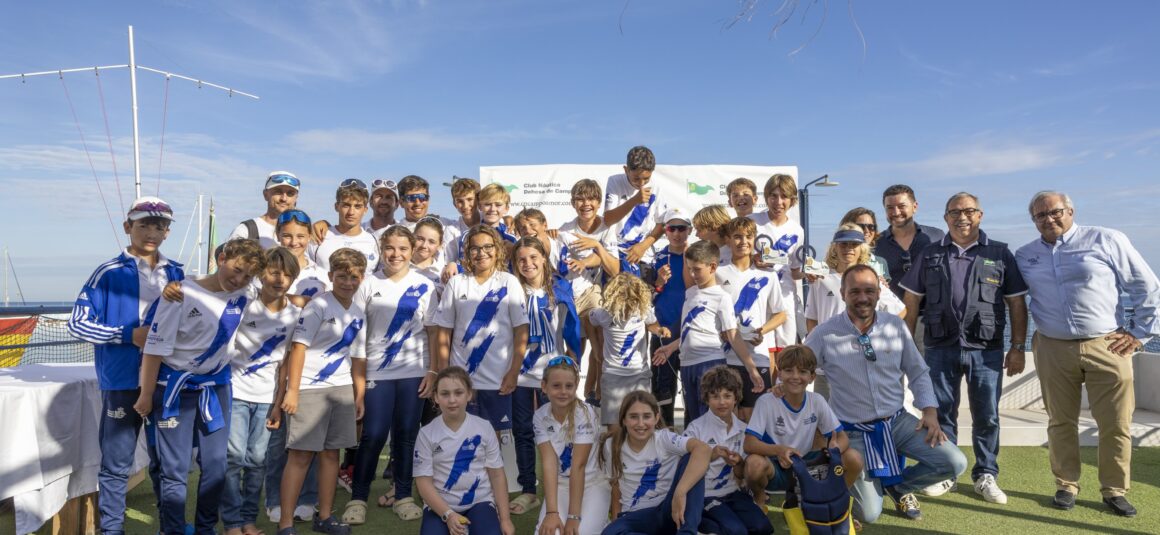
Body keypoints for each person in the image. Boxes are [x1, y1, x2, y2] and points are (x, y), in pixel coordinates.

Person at [1015, 190, 1159, 517]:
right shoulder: (1025, 255)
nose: (1049, 219)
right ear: (1033, 220)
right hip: (1051, 346)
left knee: (1116, 423)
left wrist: (1139, 333)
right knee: (1060, 421)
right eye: (1040, 216)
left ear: (1070, 210)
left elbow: (1145, 286)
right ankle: (1066, 485)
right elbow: (1013, 298)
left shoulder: (1106, 239)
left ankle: (1114, 490)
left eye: (1056, 212)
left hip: (1107, 344)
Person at [803, 265, 967, 523]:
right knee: (869, 514)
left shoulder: (895, 326)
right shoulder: (824, 333)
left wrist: (930, 412)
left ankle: (898, 486)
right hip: (853, 431)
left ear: (879, 294)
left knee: (954, 462)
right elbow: (799, 366)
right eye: (854, 291)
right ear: (843, 294)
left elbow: (918, 371)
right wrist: (783, 386)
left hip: (898, 423)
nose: (862, 297)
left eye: (869, 290)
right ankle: (861, 489)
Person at [897, 192, 1029, 504]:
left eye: (969, 211)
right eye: (955, 212)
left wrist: (1018, 346)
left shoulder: (999, 254)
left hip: (987, 350)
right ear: (946, 218)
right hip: (939, 348)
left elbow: (1016, 303)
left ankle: (986, 473)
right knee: (941, 414)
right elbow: (911, 301)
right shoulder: (930, 254)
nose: (962, 217)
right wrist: (905, 346)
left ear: (980, 215)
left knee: (987, 415)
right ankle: (946, 473)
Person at [67, 196, 183, 535]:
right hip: (120, 382)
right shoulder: (107, 272)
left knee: (168, 464)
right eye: (144, 223)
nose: (151, 231)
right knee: (116, 464)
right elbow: (78, 323)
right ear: (128, 227)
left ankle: (172, 528)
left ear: (167, 232)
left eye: (159, 226)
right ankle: (112, 530)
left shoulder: (177, 272)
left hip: (166, 381)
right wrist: (127, 334)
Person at [135, 239, 265, 535]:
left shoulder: (246, 291)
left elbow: (278, 288)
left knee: (217, 466)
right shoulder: (180, 293)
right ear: (222, 258)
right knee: (175, 470)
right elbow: (154, 348)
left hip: (216, 387)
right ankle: (174, 529)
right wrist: (145, 394)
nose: (239, 279)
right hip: (174, 389)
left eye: (248, 275)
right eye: (237, 269)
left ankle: (207, 529)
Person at [342, 227, 438, 524]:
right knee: (372, 435)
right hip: (376, 374)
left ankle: (404, 494)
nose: (396, 255)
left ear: (412, 251)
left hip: (414, 372)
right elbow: (356, 336)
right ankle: (358, 497)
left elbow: (433, 332)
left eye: (402, 249)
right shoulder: (368, 284)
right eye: (390, 248)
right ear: (381, 249)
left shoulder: (425, 285)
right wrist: (359, 384)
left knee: (407, 436)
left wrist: (433, 371)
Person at [275, 248, 369, 535]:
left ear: (361, 278)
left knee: (331, 455)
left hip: (340, 390)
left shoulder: (358, 312)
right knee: (301, 456)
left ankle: (325, 517)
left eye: (354, 277)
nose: (348, 282)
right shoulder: (317, 306)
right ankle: (286, 523)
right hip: (309, 389)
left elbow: (358, 358)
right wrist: (292, 391)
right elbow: (298, 348)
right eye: (342, 276)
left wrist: (359, 395)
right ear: (330, 276)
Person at [214, 247, 304, 535]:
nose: (280, 279)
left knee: (257, 461)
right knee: (233, 458)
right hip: (235, 393)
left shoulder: (295, 314)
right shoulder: (244, 303)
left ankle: (249, 519)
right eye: (274, 272)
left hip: (267, 399)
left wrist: (279, 403)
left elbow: (284, 365)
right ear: (262, 273)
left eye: (287, 275)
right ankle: (232, 522)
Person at [431, 225, 529, 435]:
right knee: (461, 440)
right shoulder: (456, 283)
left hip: (498, 381)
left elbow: (521, 331)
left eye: (487, 247)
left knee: (495, 446)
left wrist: (513, 372)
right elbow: (443, 333)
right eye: (475, 248)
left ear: (498, 250)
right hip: (462, 382)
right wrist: (443, 374)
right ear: (467, 252)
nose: (481, 253)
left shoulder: (509, 282)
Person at [510, 237, 583, 516]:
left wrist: (573, 356)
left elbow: (571, 327)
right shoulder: (511, 288)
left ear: (543, 258)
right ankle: (529, 489)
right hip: (519, 373)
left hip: (552, 373)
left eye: (532, 257)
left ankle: (564, 486)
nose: (527, 263)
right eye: (521, 259)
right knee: (523, 432)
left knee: (559, 432)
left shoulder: (560, 287)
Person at [654, 241, 763, 424]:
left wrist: (752, 369)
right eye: (689, 269)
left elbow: (733, 335)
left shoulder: (722, 297)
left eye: (696, 269)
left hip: (709, 364)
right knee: (693, 419)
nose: (692, 274)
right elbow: (691, 329)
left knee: (712, 419)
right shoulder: (690, 294)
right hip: (688, 364)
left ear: (712, 267)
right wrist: (671, 348)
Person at [743, 346, 861, 510]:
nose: (795, 377)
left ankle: (836, 503)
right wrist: (779, 450)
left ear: (812, 377)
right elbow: (749, 444)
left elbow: (842, 437)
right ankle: (759, 500)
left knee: (853, 458)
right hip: (776, 467)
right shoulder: (766, 402)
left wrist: (835, 449)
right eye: (789, 370)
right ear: (779, 372)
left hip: (807, 466)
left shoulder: (817, 400)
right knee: (754, 464)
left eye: (803, 372)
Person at [414, 367, 516, 535]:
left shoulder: (484, 428)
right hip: (440, 506)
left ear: (469, 394)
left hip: (479, 502)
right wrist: (448, 515)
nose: (452, 400)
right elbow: (423, 483)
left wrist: (505, 519)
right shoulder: (426, 434)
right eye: (445, 394)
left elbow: (497, 475)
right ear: (436, 397)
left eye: (458, 393)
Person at [598, 391, 710, 535]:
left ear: (656, 418)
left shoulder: (664, 439)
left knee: (692, 458)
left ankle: (687, 532)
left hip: (668, 510)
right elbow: (616, 488)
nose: (640, 423)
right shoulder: (612, 445)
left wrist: (680, 492)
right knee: (610, 533)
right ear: (624, 419)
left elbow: (704, 449)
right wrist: (616, 523)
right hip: (636, 515)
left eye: (647, 416)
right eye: (633, 417)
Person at [682, 366, 773, 535]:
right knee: (736, 531)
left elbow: (740, 475)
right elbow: (683, 466)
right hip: (706, 495)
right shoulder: (696, 428)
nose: (722, 402)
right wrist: (710, 454)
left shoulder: (744, 429)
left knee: (763, 527)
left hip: (733, 492)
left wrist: (739, 462)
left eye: (727, 396)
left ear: (736, 398)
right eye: (715, 396)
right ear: (706, 398)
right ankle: (698, 523)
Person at [715, 216, 788, 421]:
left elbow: (781, 314)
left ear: (754, 239)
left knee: (754, 417)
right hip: (725, 356)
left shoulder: (768, 275)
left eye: (748, 236)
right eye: (737, 237)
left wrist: (762, 331)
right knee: (727, 416)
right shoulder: (718, 272)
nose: (743, 241)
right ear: (728, 240)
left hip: (757, 356)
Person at [534, 356, 611, 535]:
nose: (563, 391)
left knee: (579, 532)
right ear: (544, 386)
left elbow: (579, 466)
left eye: (569, 386)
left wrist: (573, 516)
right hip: (561, 484)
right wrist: (552, 512)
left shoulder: (585, 413)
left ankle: (602, 523)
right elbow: (549, 463)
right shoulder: (539, 416)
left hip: (592, 483)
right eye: (556, 385)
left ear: (576, 385)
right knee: (547, 532)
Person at [587, 273, 669, 433]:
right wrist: (595, 347)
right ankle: (614, 457)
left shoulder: (642, 310)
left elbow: (652, 324)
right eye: (623, 304)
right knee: (614, 427)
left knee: (643, 424)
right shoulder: (603, 314)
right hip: (612, 376)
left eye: (632, 304)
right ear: (613, 300)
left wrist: (660, 330)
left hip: (639, 374)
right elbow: (588, 320)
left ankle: (641, 457)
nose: (628, 308)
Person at [558, 178, 622, 359]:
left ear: (599, 203)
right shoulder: (566, 230)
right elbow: (560, 264)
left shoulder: (607, 228)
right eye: (580, 199)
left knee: (600, 348)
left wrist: (596, 247)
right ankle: (573, 386)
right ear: (573, 203)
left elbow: (615, 269)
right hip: (571, 294)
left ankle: (596, 388)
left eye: (591, 199)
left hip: (594, 293)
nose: (586, 204)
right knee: (574, 350)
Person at [875, 185, 944, 351]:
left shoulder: (936, 237)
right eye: (890, 208)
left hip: (929, 323)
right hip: (890, 322)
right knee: (890, 376)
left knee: (928, 376)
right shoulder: (877, 243)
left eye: (901, 206)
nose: (896, 212)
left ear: (915, 206)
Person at [748, 173, 803, 347]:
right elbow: (736, 255)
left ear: (792, 200)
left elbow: (795, 272)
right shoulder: (753, 221)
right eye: (773, 196)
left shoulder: (797, 230)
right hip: (758, 294)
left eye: (784, 196)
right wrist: (752, 258)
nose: (778, 202)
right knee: (762, 347)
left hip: (784, 296)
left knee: (785, 351)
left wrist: (811, 274)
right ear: (766, 197)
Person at [649, 210, 691, 426]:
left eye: (681, 228)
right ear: (665, 231)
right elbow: (646, 299)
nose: (676, 233)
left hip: (691, 332)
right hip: (663, 332)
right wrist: (658, 282)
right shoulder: (655, 258)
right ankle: (665, 436)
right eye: (671, 228)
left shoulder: (696, 256)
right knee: (663, 390)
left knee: (692, 389)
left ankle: (692, 437)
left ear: (689, 231)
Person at [603, 146, 668, 278]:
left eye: (646, 179)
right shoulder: (615, 181)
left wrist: (643, 246)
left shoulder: (657, 186)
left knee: (643, 297)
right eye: (636, 178)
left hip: (644, 256)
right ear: (626, 170)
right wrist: (634, 201)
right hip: (616, 253)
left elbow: (662, 224)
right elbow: (608, 219)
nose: (642, 183)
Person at [310, 179, 379, 276]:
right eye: (346, 205)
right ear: (336, 206)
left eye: (357, 206)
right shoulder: (318, 236)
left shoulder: (375, 242)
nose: (351, 212)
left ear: (365, 210)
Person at [228, 171, 301, 249]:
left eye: (290, 193)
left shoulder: (305, 237)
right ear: (265, 195)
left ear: (296, 198)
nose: (284, 198)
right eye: (278, 192)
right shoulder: (246, 231)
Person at [275, 209, 329, 298]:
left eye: (300, 236)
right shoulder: (265, 272)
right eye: (287, 236)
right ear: (277, 235)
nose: (294, 242)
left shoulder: (322, 276)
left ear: (309, 236)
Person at [839, 207, 890, 281]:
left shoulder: (880, 262)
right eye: (861, 227)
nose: (867, 231)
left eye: (871, 227)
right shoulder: (836, 260)